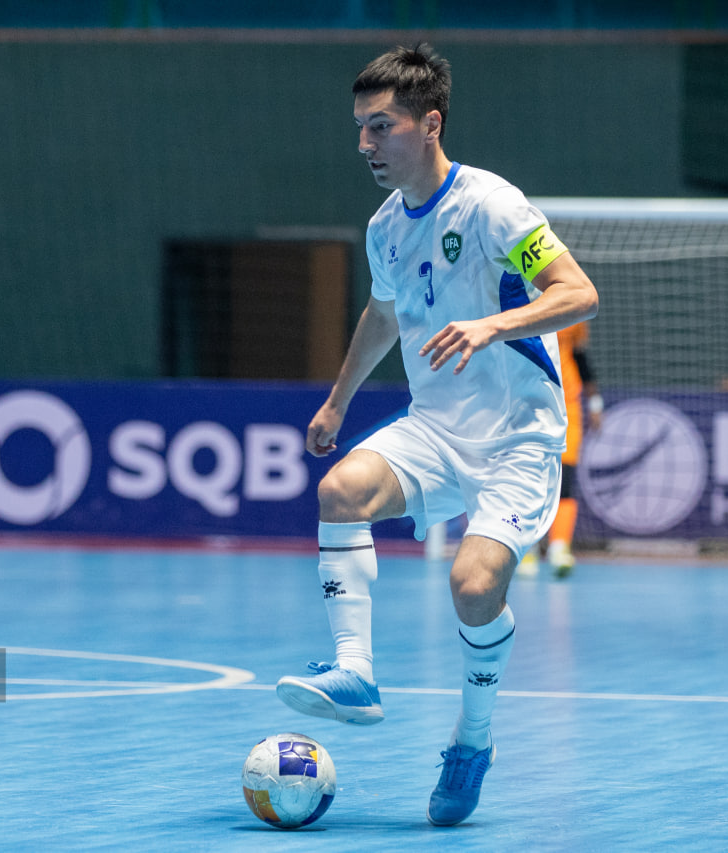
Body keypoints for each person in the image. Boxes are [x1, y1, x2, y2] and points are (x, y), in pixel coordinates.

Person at [274, 44, 599, 826]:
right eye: (360, 128)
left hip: (518, 439)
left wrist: (495, 323)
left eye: (380, 126)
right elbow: (383, 314)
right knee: (340, 489)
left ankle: (472, 741)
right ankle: (356, 671)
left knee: (473, 583)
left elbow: (578, 292)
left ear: (430, 123)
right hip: (434, 426)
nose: (365, 144)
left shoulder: (493, 206)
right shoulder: (386, 226)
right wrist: (336, 402)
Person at [517, 320, 601, 578]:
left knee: (565, 477)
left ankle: (559, 548)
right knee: (527, 475)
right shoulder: (517, 302)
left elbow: (580, 356)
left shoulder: (573, 307)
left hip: (568, 406)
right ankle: (525, 548)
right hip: (527, 402)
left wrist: (595, 402)